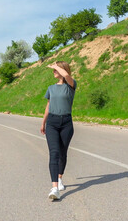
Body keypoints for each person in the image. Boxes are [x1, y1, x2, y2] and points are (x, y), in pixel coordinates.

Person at [40, 61, 77, 200]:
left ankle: (60, 178)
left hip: (66, 123)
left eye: (56, 69)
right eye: (54, 69)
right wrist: (43, 123)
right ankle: (54, 188)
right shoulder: (51, 88)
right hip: (52, 123)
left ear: (62, 70)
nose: (53, 71)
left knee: (62, 153)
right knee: (54, 153)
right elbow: (48, 107)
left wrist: (55, 65)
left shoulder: (71, 85)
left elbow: (67, 75)